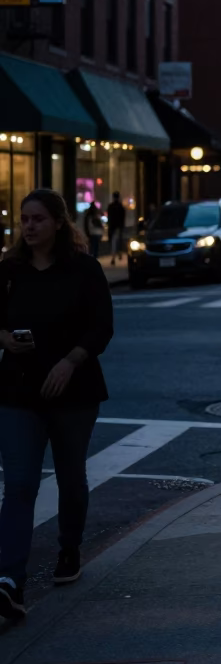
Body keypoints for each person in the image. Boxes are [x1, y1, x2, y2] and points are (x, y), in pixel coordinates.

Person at [0, 189, 114, 622]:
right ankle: (9, 580)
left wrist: (71, 360)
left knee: (71, 477)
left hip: (75, 392)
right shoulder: (8, 272)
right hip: (16, 392)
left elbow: (101, 327)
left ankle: (69, 547)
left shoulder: (83, 270)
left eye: (38, 220)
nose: (28, 227)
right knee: (20, 484)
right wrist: (4, 339)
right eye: (24, 219)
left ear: (59, 223)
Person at [105, 191, 126, 265]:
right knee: (118, 241)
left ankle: (114, 256)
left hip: (113, 227)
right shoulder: (120, 206)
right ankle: (119, 253)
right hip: (118, 227)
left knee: (113, 242)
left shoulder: (111, 206)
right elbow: (123, 217)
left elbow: (109, 217)